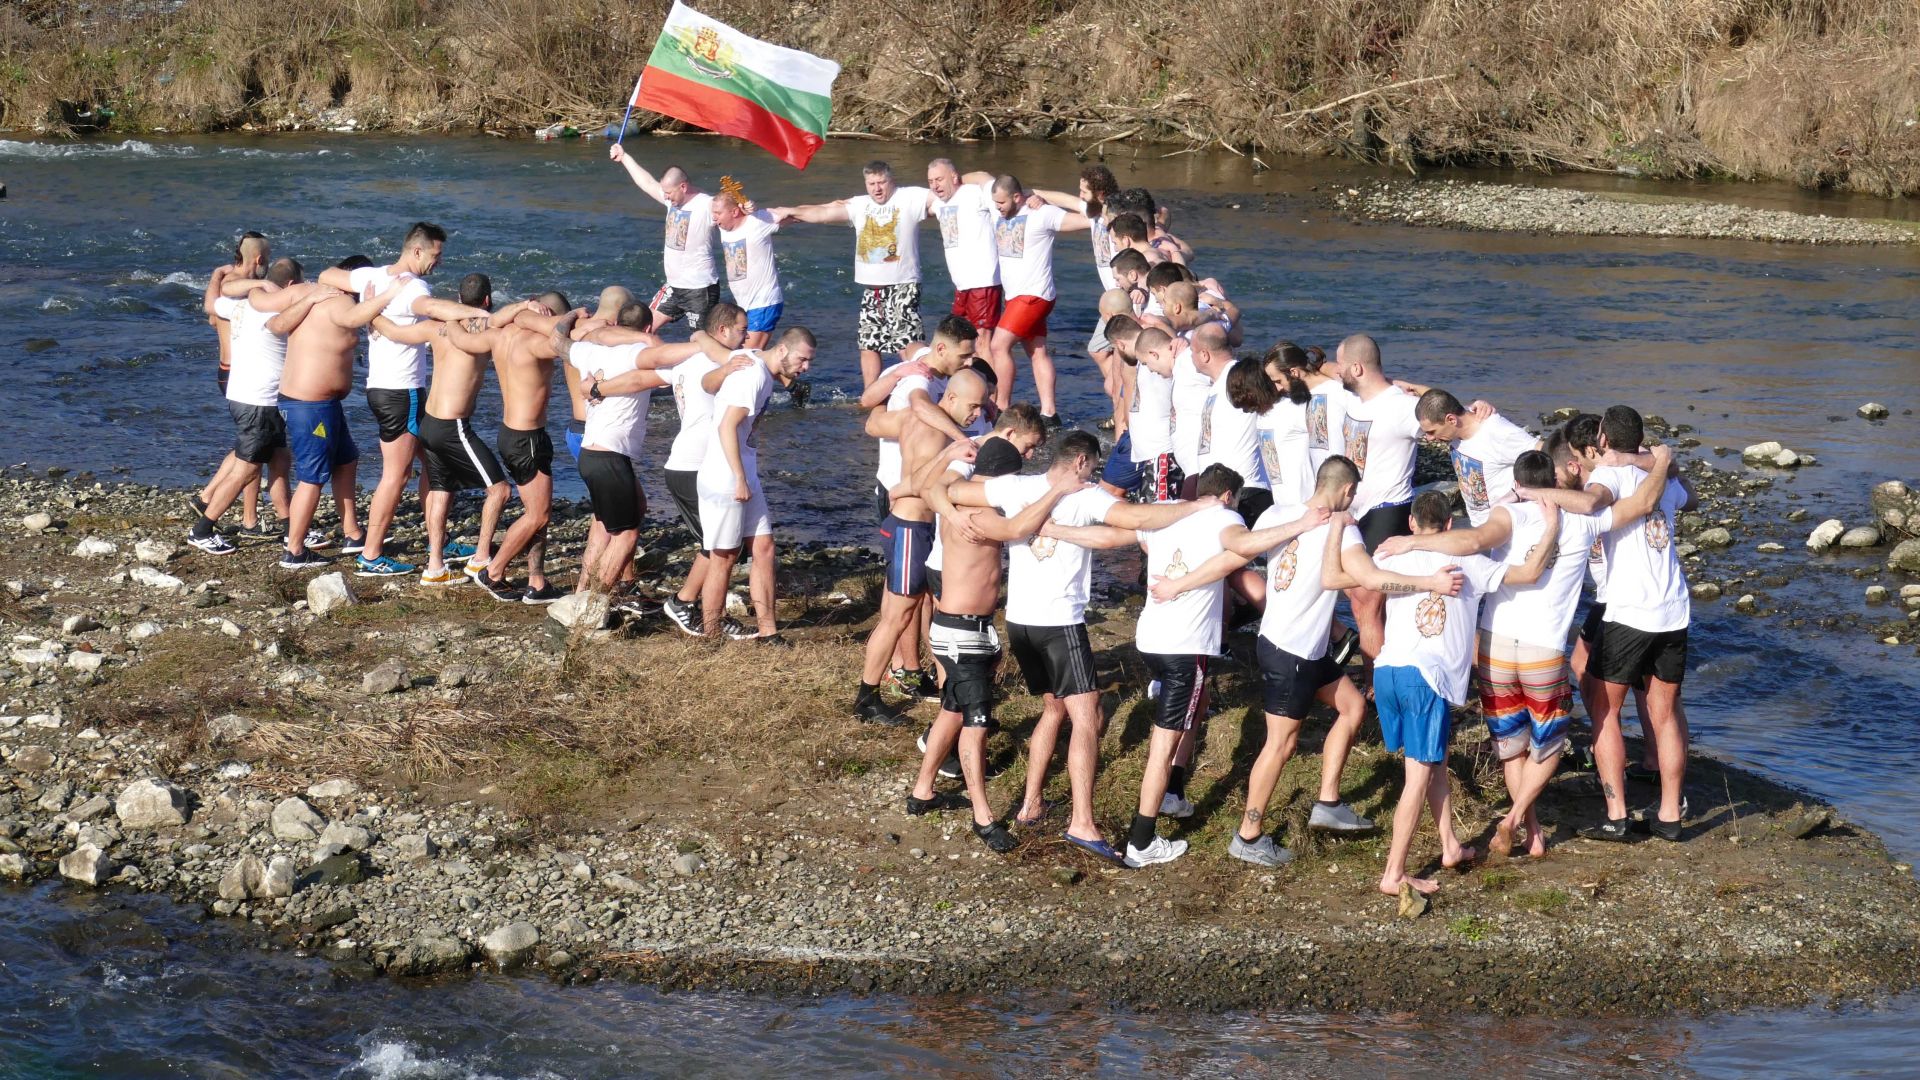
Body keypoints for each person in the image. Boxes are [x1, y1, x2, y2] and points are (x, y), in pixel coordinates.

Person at [1152, 456, 1459, 867]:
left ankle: (1328, 802)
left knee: (1352, 706)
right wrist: (1429, 581)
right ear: (1347, 491)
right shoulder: (1342, 530)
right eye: (1354, 494)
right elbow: (1370, 579)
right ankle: (1248, 835)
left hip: (1296, 646)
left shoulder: (1277, 514)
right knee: (1281, 744)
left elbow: (1232, 559)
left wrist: (1179, 584)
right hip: (1291, 651)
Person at [945, 431, 1213, 863]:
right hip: (1060, 624)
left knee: (1054, 710)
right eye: (1093, 467)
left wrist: (951, 465)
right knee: (1088, 718)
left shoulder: (1015, 485)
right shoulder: (1085, 495)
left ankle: (1031, 804)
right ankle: (1082, 824)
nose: (1093, 474)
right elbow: (1135, 516)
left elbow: (953, 490)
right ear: (1081, 462)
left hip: (1020, 622)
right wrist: (1194, 507)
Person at [1379, 448, 1648, 858]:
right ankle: (1513, 819)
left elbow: (1470, 541)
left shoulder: (1505, 514)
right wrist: (1656, 463)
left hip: (1497, 646)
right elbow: (1640, 505)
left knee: (1511, 744)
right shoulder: (1584, 519)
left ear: (1518, 484)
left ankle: (1533, 832)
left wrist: (1410, 541)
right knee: (1549, 743)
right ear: (1554, 483)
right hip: (1543, 647)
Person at [1126, 465, 1329, 867]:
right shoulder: (1224, 517)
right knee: (1163, 744)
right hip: (1185, 647)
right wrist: (1302, 524)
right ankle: (1142, 841)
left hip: (1149, 639)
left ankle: (1173, 792)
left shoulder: (1169, 514)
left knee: (1197, 705)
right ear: (1228, 496)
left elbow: (1138, 539)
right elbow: (1246, 543)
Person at [1356, 489, 1554, 897]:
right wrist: (1551, 526)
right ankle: (1394, 873)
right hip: (1426, 679)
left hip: (1387, 672)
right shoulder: (1470, 561)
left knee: (1436, 761)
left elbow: (1358, 579)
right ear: (1449, 525)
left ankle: (1450, 846)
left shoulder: (1390, 554)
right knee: (1417, 777)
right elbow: (1529, 573)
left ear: (1411, 522)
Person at [1523, 407, 1694, 842]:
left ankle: (1616, 815)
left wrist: (1533, 492)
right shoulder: (1661, 476)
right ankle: (1670, 815)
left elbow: (1589, 503)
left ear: (1602, 439)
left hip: (1630, 612)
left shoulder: (1611, 476)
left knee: (1604, 711)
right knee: (1664, 715)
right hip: (1673, 611)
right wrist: (1656, 461)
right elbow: (1690, 497)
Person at [910, 436, 1080, 852]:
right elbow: (1018, 528)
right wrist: (1059, 490)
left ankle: (922, 792)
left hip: (962, 629)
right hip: (962, 635)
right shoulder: (981, 516)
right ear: (1006, 480)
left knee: (953, 710)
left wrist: (949, 468)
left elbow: (931, 487)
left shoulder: (955, 497)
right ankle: (984, 819)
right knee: (976, 725)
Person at [315, 223, 489, 567]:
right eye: (436, 254)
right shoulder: (412, 286)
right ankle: (371, 554)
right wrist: (477, 312)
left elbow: (325, 275)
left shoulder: (373, 275)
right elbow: (433, 306)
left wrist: (366, 305)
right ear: (417, 251)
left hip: (383, 388)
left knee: (434, 461)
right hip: (401, 392)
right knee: (397, 475)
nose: (439, 261)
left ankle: (439, 541)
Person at [854, 317, 981, 722]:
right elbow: (925, 484)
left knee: (905, 612)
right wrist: (912, 482)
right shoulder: (932, 423)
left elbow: (873, 421)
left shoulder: (916, 416)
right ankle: (867, 698)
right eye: (974, 407)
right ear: (951, 397)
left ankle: (939, 691)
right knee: (897, 616)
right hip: (911, 526)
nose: (977, 414)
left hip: (909, 524)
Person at [364, 274, 525, 582]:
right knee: (500, 490)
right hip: (454, 427)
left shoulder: (435, 327)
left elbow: (394, 332)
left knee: (441, 490)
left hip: (429, 423)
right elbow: (502, 321)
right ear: (487, 300)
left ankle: (435, 568)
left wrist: (371, 310)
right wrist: (525, 306)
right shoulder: (487, 328)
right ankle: (480, 559)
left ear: (459, 298)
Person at [563, 318, 731, 601]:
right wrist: (703, 343)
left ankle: (583, 592)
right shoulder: (637, 354)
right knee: (626, 535)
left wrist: (578, 323)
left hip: (589, 451)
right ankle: (591, 604)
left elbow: (558, 341)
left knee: (609, 523)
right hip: (610, 456)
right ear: (646, 329)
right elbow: (642, 376)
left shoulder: (590, 350)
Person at [267, 262, 413, 568]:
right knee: (312, 477)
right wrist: (387, 295)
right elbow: (350, 318)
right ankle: (294, 550)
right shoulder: (339, 301)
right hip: (309, 406)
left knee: (346, 460)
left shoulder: (318, 296)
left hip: (322, 404)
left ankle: (353, 533)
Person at [442, 295, 576, 602]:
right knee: (537, 515)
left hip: (511, 434)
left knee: (538, 511)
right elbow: (566, 344)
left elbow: (462, 339)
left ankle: (537, 581)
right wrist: (577, 319)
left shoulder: (499, 336)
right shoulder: (535, 343)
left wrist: (450, 317)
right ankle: (493, 571)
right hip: (528, 439)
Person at [636, 303, 754, 637]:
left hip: (694, 464)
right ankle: (684, 602)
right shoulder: (719, 362)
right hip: (691, 466)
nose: (747, 337)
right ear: (722, 331)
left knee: (720, 544)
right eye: (742, 330)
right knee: (716, 545)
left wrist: (600, 387)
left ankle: (696, 606)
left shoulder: (689, 360)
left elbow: (641, 376)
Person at [695, 326, 818, 643]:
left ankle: (768, 631)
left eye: (809, 362)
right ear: (782, 350)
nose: (805, 368)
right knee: (723, 556)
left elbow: (707, 384)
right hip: (725, 476)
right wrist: (738, 477)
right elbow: (726, 426)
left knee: (764, 547)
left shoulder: (751, 358)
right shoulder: (754, 376)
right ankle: (711, 634)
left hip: (745, 471)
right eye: (802, 360)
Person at [771, 161, 931, 386]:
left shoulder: (909, 197)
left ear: (891, 181)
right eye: (871, 184)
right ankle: (871, 394)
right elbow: (824, 213)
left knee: (907, 344)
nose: (877, 188)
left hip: (902, 285)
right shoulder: (859, 204)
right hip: (872, 289)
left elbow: (943, 197)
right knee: (868, 344)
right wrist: (790, 211)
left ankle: (921, 387)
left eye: (881, 182)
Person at [186, 257, 300, 555]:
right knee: (246, 469)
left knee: (280, 460)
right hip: (259, 401)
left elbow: (211, 304)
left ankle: (292, 529)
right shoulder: (281, 311)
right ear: (290, 285)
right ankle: (202, 530)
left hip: (246, 395)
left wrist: (216, 276)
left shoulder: (242, 305)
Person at [1334, 333, 1422, 664]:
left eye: (1342, 365)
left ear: (1357, 368)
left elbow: (1449, 418)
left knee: (1365, 598)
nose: (1337, 370)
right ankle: (1387, 663)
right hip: (1355, 511)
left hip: (1389, 509)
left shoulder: (1402, 406)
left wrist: (1479, 409)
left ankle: (1376, 682)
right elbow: (1323, 370)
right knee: (1359, 597)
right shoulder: (1353, 399)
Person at [985, 175, 1091, 419]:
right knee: (1037, 352)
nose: (997, 207)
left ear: (1016, 197)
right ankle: (1049, 414)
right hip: (1015, 297)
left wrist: (1044, 196)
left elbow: (1087, 218)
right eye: (995, 202)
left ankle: (1001, 407)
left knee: (998, 346)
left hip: (1034, 295)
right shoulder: (998, 211)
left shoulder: (1042, 213)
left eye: (1001, 202)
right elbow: (978, 177)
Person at [195, 231, 272, 536]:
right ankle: (213, 501)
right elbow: (216, 306)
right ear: (259, 259)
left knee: (252, 446)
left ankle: (246, 516)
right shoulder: (236, 284)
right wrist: (260, 285)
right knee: (252, 448)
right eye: (268, 258)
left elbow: (212, 314)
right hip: (237, 373)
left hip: (231, 371)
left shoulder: (230, 282)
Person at [608, 145, 719, 331]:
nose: (666, 197)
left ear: (683, 187)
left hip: (700, 289)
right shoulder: (672, 201)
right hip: (674, 286)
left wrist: (747, 207)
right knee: (642, 327)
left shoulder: (707, 205)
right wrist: (624, 157)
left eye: (669, 193)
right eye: (664, 193)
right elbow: (648, 183)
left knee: (701, 340)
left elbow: (735, 214)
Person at [1408, 386, 1541, 526]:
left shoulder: (1498, 433)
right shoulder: (1456, 424)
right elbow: (1439, 401)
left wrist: (1533, 495)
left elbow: (1546, 451)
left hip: (1507, 525)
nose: (1428, 438)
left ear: (1451, 420)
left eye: (1432, 432)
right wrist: (1409, 385)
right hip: (1480, 524)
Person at [1099, 326, 1179, 502]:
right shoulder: (1143, 361)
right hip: (1142, 445)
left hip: (1157, 449)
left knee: (1109, 496)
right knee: (1141, 502)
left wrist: (1179, 341)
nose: (1149, 368)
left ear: (1120, 344)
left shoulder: (1169, 360)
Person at [925, 158, 1002, 338]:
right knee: (960, 341)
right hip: (962, 285)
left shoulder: (974, 193)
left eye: (939, 179)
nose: (935, 185)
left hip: (983, 282)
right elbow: (916, 208)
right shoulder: (938, 203)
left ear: (954, 177)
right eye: (931, 181)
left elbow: (989, 181)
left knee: (982, 342)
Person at [563, 286, 636, 463]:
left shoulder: (575, 329)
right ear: (621, 311)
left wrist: (573, 313)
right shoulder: (611, 339)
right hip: (595, 434)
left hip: (574, 429)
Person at [1200, 350, 1273, 524]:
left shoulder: (1275, 410)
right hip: (1233, 490)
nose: (1244, 407)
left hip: (1249, 489)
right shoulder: (1260, 411)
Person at [713, 191, 783, 349]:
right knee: (737, 353)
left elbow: (792, 216)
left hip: (764, 302)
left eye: (718, 213)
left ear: (734, 212)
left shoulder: (757, 222)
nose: (714, 217)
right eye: (713, 213)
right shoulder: (723, 226)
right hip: (743, 304)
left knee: (748, 355)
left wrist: (751, 206)